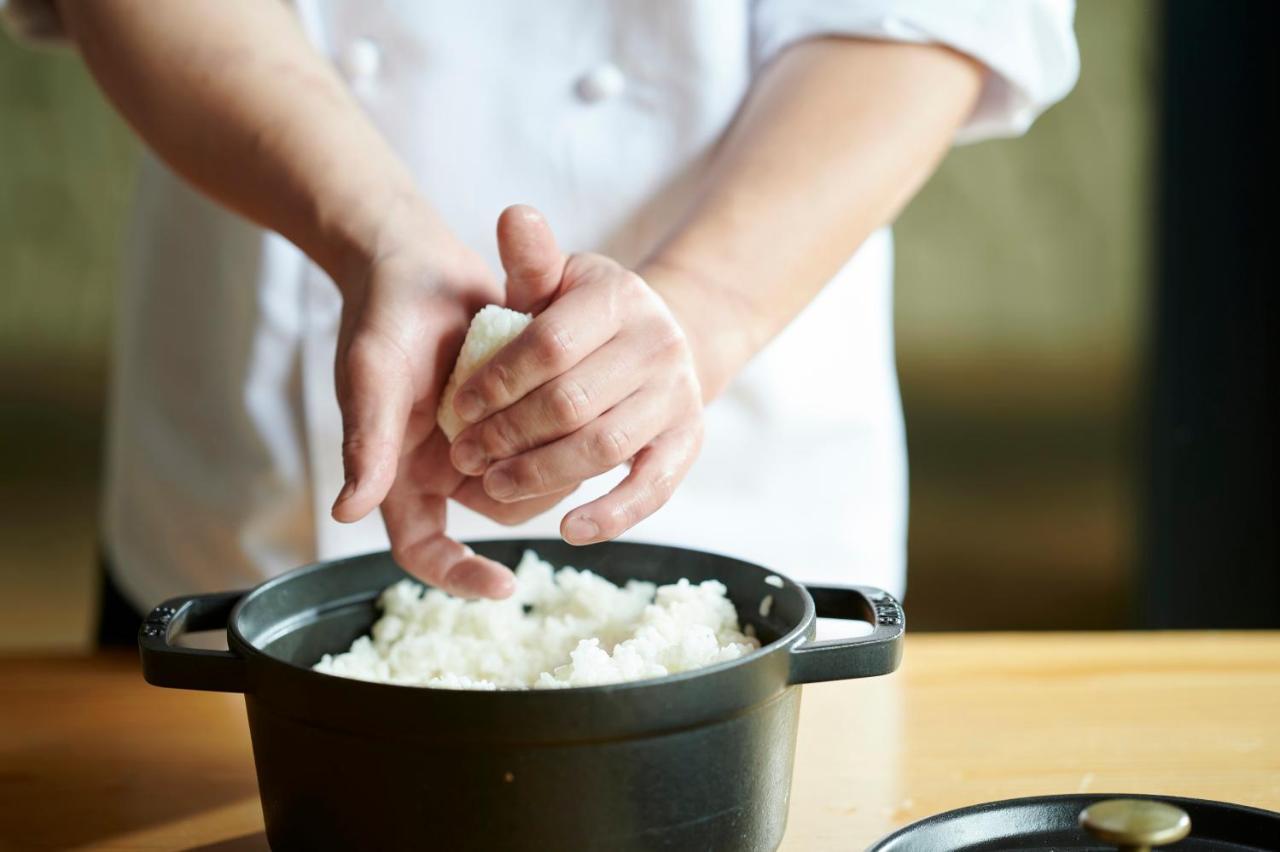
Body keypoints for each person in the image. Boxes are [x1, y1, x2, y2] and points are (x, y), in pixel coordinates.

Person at [2, 1, 1078, 637]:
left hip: (750, 471)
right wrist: (370, 229)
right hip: (243, 491)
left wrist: (701, 313)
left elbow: (936, 14)